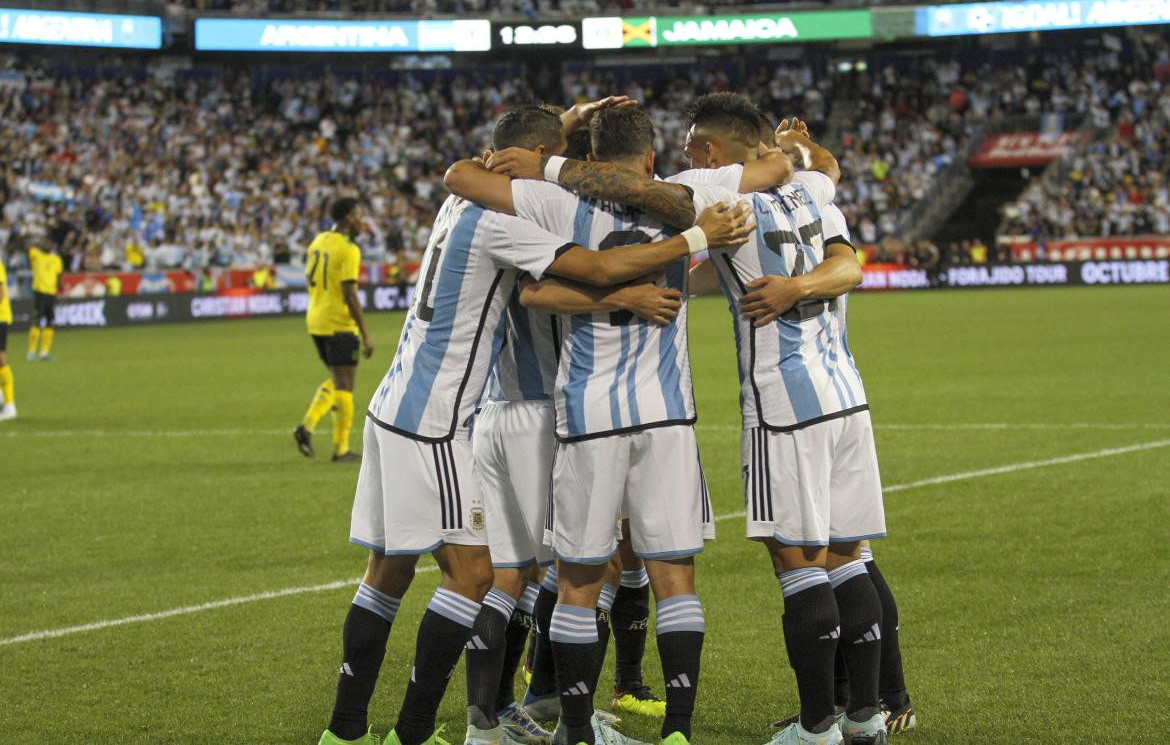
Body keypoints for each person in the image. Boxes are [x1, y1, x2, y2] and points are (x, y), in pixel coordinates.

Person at [317, 104, 754, 745]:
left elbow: (478, 173)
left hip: (407, 403)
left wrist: (563, 123)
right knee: (494, 574)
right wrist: (689, 245)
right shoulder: (509, 218)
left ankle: (349, 729)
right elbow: (591, 270)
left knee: (394, 570)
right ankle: (445, 730)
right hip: (445, 416)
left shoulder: (466, 203)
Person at [491, 94, 888, 745]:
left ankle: (812, 729)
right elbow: (826, 177)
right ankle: (859, 719)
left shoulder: (677, 191)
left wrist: (554, 158)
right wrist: (795, 148)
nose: (679, 156)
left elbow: (585, 204)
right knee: (839, 557)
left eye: (691, 146)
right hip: (814, 392)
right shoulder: (809, 188)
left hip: (733, 402)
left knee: (589, 575)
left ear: (708, 153)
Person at [447, 105, 788, 745]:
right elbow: (778, 165)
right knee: (673, 577)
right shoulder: (694, 194)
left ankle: (575, 731)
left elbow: (464, 181)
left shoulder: (550, 201)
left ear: (590, 158)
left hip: (588, 411)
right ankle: (679, 732)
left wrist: (550, 160)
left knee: (578, 578)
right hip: (666, 412)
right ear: (655, 160)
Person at [294, 198, 375, 463]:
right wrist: (364, 332)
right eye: (359, 215)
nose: (362, 221)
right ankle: (341, 450)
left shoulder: (318, 241)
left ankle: (306, 427)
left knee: (337, 379)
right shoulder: (349, 249)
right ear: (349, 218)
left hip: (315, 320)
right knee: (345, 385)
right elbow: (350, 294)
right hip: (339, 323)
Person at [27, 239, 63, 362]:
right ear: (40, 245)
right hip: (40, 292)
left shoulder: (56, 259)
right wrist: (36, 243)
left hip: (51, 293)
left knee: (50, 321)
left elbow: (59, 276)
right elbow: (27, 247)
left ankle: (44, 352)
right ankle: (31, 351)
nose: (47, 245)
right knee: (37, 320)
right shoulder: (36, 254)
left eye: (49, 243)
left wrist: (59, 287)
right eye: (45, 243)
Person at [0, 258, 15, 420]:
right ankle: (2, 400)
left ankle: (10, 407)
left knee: (1, 359)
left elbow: (0, 294)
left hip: (0, 317)